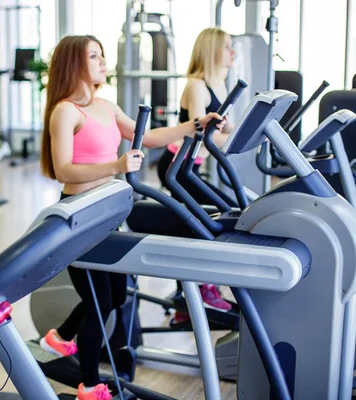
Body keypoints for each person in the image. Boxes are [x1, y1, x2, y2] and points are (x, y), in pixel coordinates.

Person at [38, 35, 226, 400]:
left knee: (115, 297)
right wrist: (117, 166)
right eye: (94, 56)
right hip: (78, 219)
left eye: (102, 54)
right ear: (73, 64)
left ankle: (59, 337)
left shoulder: (105, 106)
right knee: (98, 303)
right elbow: (64, 170)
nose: (103, 60)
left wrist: (195, 126)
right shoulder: (65, 111)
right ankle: (89, 386)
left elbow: (152, 137)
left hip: (107, 213)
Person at [156, 27, 237, 316]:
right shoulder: (196, 86)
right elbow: (203, 134)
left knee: (220, 214)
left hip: (194, 167)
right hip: (178, 166)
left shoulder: (220, 84)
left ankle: (193, 292)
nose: (233, 53)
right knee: (210, 219)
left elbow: (228, 131)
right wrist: (241, 139)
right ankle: (198, 291)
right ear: (212, 50)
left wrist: (254, 133)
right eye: (227, 47)